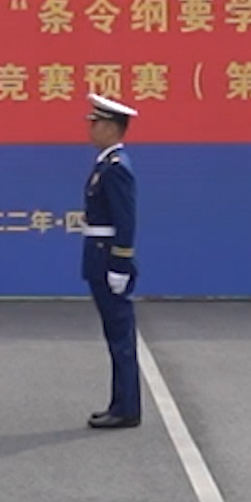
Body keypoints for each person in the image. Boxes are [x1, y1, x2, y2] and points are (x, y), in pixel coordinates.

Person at [81, 92, 141, 430]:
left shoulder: (116, 169)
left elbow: (125, 221)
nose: (91, 129)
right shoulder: (105, 164)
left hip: (108, 259)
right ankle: (120, 403)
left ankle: (126, 408)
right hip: (99, 255)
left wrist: (120, 264)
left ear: (111, 128)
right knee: (115, 335)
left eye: (96, 123)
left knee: (120, 338)